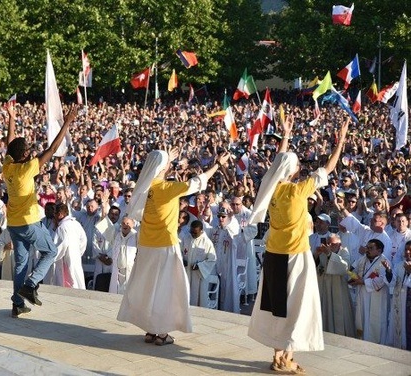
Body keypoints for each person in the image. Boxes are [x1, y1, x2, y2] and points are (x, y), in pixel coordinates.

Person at [246, 115, 348, 373]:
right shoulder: (296, 190)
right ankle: (287, 357)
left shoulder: (269, 190)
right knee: (297, 307)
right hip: (296, 257)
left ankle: (277, 355)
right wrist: (341, 141)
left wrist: (286, 136)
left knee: (277, 308)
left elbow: (275, 170)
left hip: (273, 255)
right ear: (293, 171)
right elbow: (329, 167)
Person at [117, 148, 229, 346]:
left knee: (149, 289)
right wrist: (217, 165)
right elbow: (198, 182)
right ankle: (161, 333)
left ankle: (151, 330)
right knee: (167, 291)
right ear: (163, 167)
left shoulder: (143, 187)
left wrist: (167, 160)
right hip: (165, 246)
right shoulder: (166, 188)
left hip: (147, 246)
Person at [2, 103, 76, 317]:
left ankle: (17, 303)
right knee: (50, 251)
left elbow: (10, 144)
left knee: (21, 263)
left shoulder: (8, 166)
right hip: (29, 222)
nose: (30, 151)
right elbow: (52, 149)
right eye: (27, 150)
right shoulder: (27, 168)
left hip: (14, 224)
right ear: (24, 155)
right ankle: (31, 284)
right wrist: (68, 123)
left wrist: (12, 117)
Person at [349, 239, 392, 345]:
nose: (367, 250)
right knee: (363, 319)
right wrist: (354, 278)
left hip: (377, 297)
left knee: (375, 322)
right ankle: (362, 342)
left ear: (379, 250)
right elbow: (350, 270)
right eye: (367, 247)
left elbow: (382, 280)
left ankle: (376, 345)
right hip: (362, 296)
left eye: (370, 248)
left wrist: (362, 281)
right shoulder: (362, 259)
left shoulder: (384, 262)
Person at [181, 220, 217, 308]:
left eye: (195, 232)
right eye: (191, 231)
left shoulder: (207, 242)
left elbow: (212, 259)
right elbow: (179, 252)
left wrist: (199, 266)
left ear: (201, 230)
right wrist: (182, 260)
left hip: (199, 276)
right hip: (186, 273)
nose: (192, 234)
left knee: (198, 298)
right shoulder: (186, 238)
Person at [51, 203, 87, 289]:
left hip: (65, 260)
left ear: (59, 214)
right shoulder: (76, 224)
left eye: (54, 214)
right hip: (76, 257)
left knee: (68, 282)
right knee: (77, 281)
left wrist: (51, 257)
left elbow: (61, 246)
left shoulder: (62, 227)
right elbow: (84, 240)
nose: (53, 218)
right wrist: (78, 252)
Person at [109, 216, 139, 295]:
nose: (125, 225)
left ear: (132, 225)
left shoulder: (136, 236)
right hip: (117, 271)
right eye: (123, 223)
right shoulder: (117, 235)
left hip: (129, 270)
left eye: (128, 223)